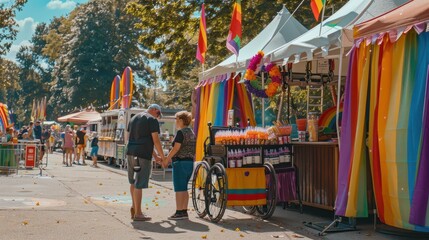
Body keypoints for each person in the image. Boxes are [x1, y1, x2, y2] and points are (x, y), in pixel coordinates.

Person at [126, 103, 165, 221]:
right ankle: (138, 213)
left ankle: (134, 206)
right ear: (153, 110)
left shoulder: (133, 118)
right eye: (158, 113)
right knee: (140, 183)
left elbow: (134, 138)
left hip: (131, 152)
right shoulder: (152, 120)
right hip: (142, 155)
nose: (158, 117)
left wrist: (155, 156)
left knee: (133, 182)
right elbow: (155, 140)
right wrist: (163, 156)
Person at [163, 111, 196, 220]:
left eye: (177, 120)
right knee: (184, 188)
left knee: (179, 189)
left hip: (180, 162)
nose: (176, 122)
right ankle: (184, 211)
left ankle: (179, 212)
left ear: (181, 120)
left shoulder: (181, 133)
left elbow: (176, 148)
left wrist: (167, 159)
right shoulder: (192, 133)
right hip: (189, 162)